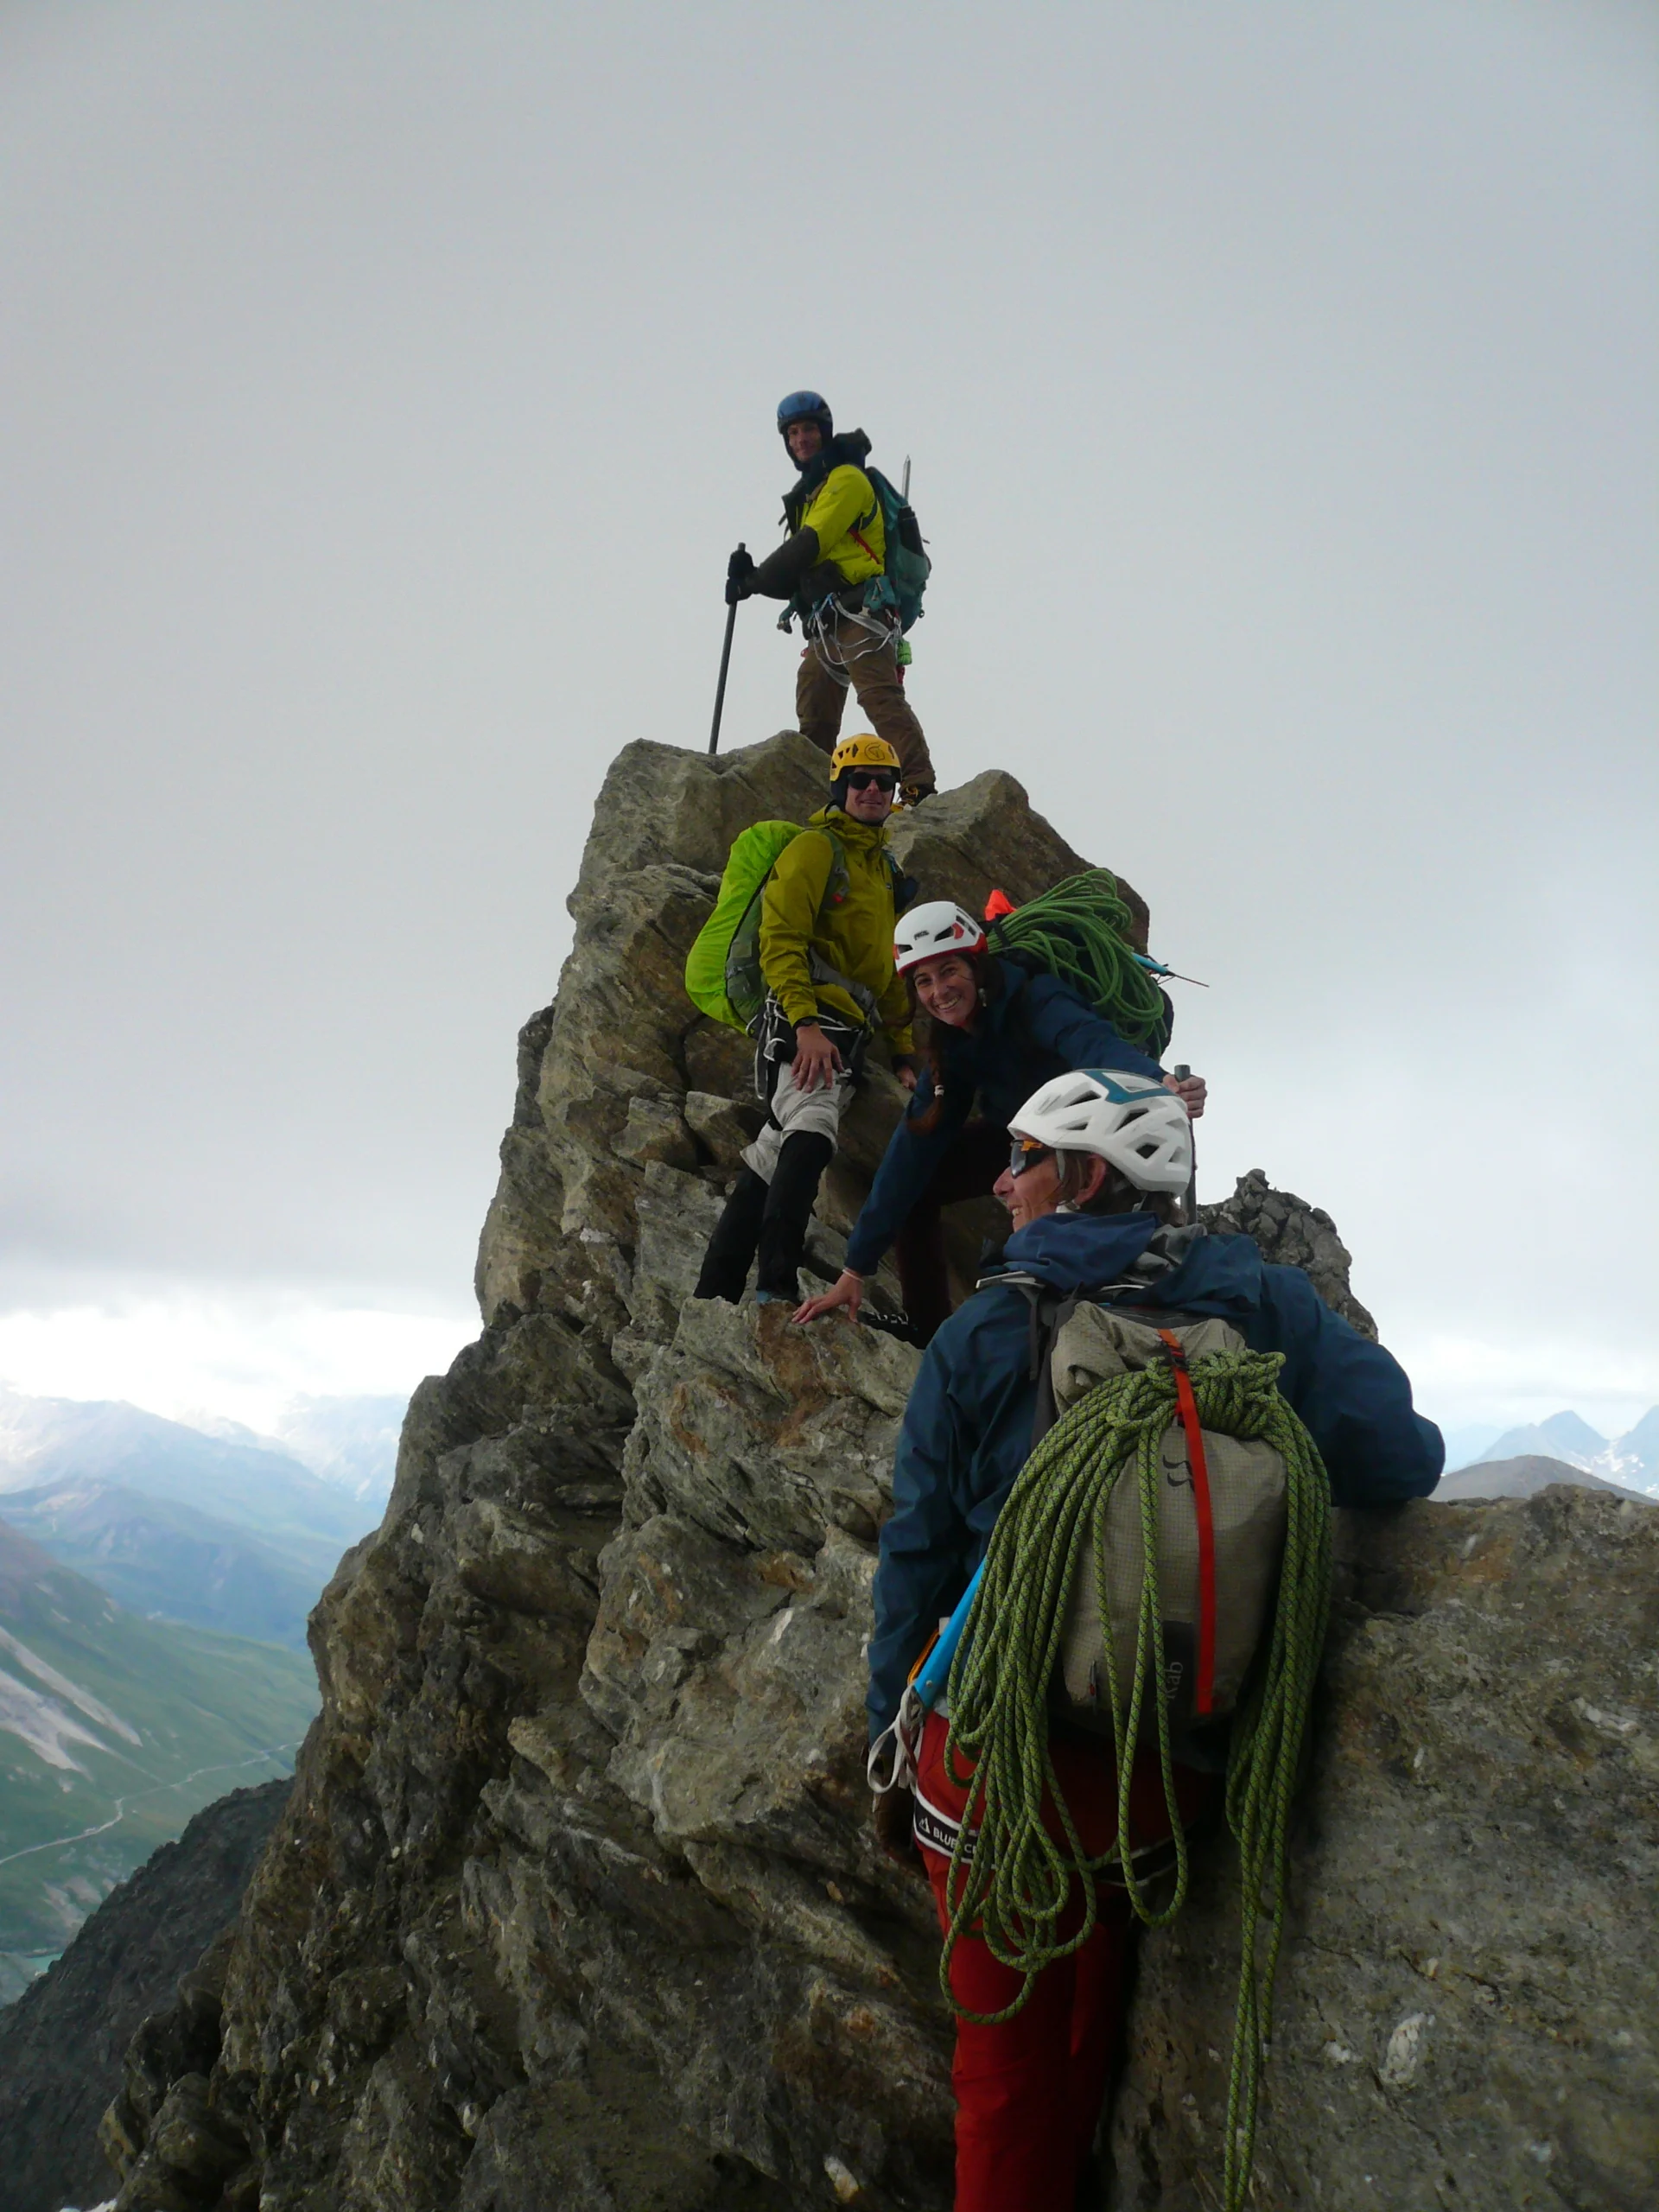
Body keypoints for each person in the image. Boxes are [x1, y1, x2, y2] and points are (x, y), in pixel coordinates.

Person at [867, 1068, 1444, 2212]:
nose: (1002, 1179)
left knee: (1003, 2081)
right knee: (1085, 2025)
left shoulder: (987, 1331)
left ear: (1084, 1176)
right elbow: (1403, 1460)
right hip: (1162, 1782)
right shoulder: (1260, 1302)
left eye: (1024, 1157)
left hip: (999, 1773)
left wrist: (889, 1733)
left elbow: (916, 1565)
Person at [792, 902, 1209, 1344]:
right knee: (919, 1188)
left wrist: (1158, 1081)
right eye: (924, 981)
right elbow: (909, 1154)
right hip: (1018, 1134)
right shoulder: (953, 1046)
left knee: (1056, 1202)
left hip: (1082, 1134)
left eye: (948, 970)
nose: (939, 991)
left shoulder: (1035, 996)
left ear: (976, 964)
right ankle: (927, 1331)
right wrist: (855, 1268)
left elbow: (1091, 1043)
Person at [693, 734, 918, 1307]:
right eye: (859, 781)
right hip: (808, 1024)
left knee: (772, 1155)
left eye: (883, 782)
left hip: (848, 1031)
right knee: (812, 1134)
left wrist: (904, 1051)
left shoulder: (882, 871)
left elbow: (887, 974)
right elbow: (781, 938)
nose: (872, 790)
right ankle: (776, 1286)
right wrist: (803, 1026)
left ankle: (713, 1292)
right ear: (839, 788)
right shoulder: (817, 850)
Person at [725, 391, 937, 802]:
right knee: (815, 711)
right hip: (826, 621)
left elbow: (810, 545)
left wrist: (750, 582)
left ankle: (918, 785)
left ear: (824, 432)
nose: (800, 439)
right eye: (792, 432)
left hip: (862, 610)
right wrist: (752, 579)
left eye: (807, 429)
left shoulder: (846, 481)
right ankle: (819, 793)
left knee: (879, 697)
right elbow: (799, 571)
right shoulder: (812, 492)